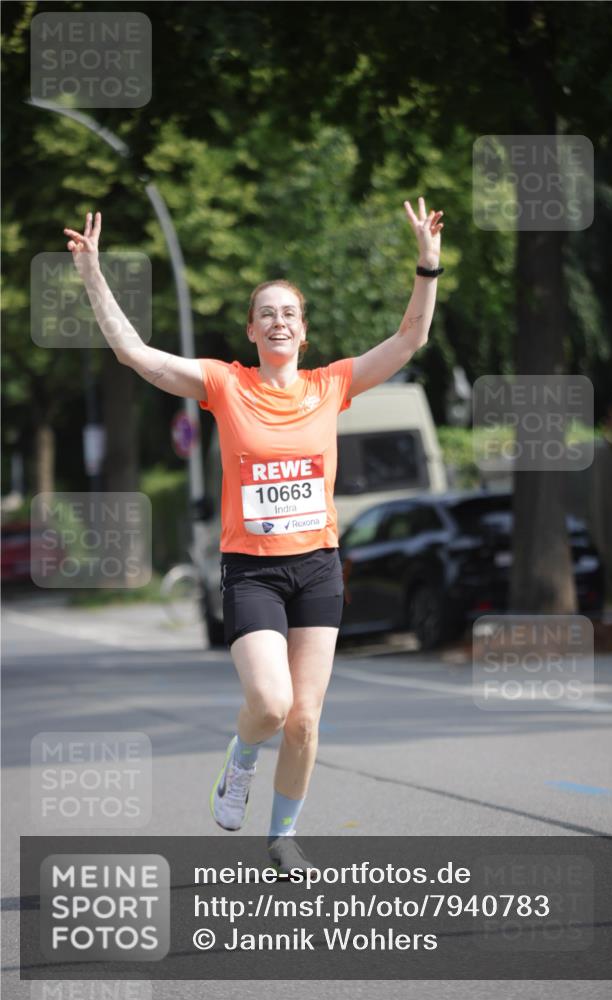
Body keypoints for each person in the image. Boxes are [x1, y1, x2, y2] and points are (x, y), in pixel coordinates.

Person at [64, 197, 444, 874]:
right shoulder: (224, 384)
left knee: (305, 718)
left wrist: (426, 264)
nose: (277, 320)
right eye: (265, 312)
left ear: (303, 330)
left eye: (287, 313)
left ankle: (282, 835)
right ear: (250, 330)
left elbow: (410, 339)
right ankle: (239, 760)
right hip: (253, 570)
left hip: (318, 568)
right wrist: (93, 274)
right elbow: (133, 354)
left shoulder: (332, 385)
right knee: (269, 706)